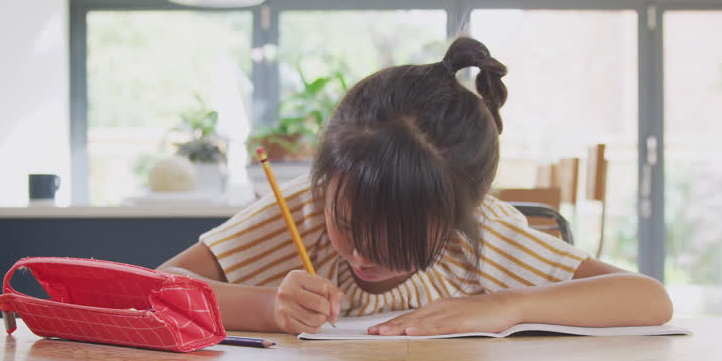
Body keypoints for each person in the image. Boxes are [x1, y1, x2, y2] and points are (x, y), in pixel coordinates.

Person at [159, 36, 673, 336]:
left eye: (394, 238)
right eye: (347, 224)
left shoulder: (483, 234)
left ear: (460, 216)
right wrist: (267, 307)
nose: (361, 253)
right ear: (325, 183)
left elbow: (648, 298)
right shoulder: (302, 209)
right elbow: (159, 288)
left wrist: (507, 307)